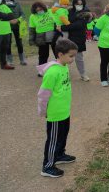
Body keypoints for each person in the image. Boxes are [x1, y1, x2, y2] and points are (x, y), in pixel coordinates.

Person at [37, 38, 78, 178]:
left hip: (64, 111)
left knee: (63, 135)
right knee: (53, 139)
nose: (73, 59)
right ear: (60, 54)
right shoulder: (52, 72)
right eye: (71, 56)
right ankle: (47, 166)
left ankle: (59, 155)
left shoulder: (64, 66)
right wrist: (42, 110)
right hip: (55, 114)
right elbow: (43, 94)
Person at [61, 0, 91, 82]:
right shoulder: (69, 11)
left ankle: (83, 74)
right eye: (77, 4)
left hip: (79, 37)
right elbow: (63, 19)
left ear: (83, 4)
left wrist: (63, 27)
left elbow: (78, 25)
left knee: (79, 58)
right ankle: (62, 74)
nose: (79, 6)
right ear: (74, 4)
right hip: (68, 37)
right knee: (65, 57)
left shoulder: (86, 13)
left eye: (81, 4)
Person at [29, 2, 56, 74]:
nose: (39, 11)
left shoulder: (50, 11)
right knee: (43, 55)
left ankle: (61, 68)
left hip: (53, 36)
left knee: (58, 53)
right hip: (41, 38)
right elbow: (32, 29)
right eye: (37, 10)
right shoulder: (32, 16)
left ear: (43, 7)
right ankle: (41, 70)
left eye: (40, 9)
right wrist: (31, 39)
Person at [2, 0, 27, 66]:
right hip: (7, 27)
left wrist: (18, 20)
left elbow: (23, 14)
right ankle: (10, 61)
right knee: (8, 43)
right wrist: (8, 20)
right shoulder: (2, 6)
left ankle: (22, 59)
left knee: (19, 43)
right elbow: (0, 16)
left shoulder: (17, 4)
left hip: (17, 26)